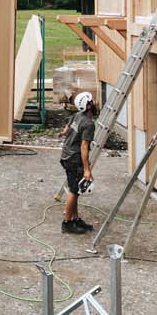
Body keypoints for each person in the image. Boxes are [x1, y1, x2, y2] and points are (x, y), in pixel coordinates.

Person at [60, 91, 97, 234]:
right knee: (74, 191)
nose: (94, 103)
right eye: (92, 101)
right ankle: (67, 223)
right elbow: (84, 147)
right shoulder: (88, 123)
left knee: (75, 190)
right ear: (88, 106)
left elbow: (67, 128)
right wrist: (87, 169)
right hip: (74, 159)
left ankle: (75, 219)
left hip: (66, 155)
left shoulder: (76, 115)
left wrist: (63, 133)